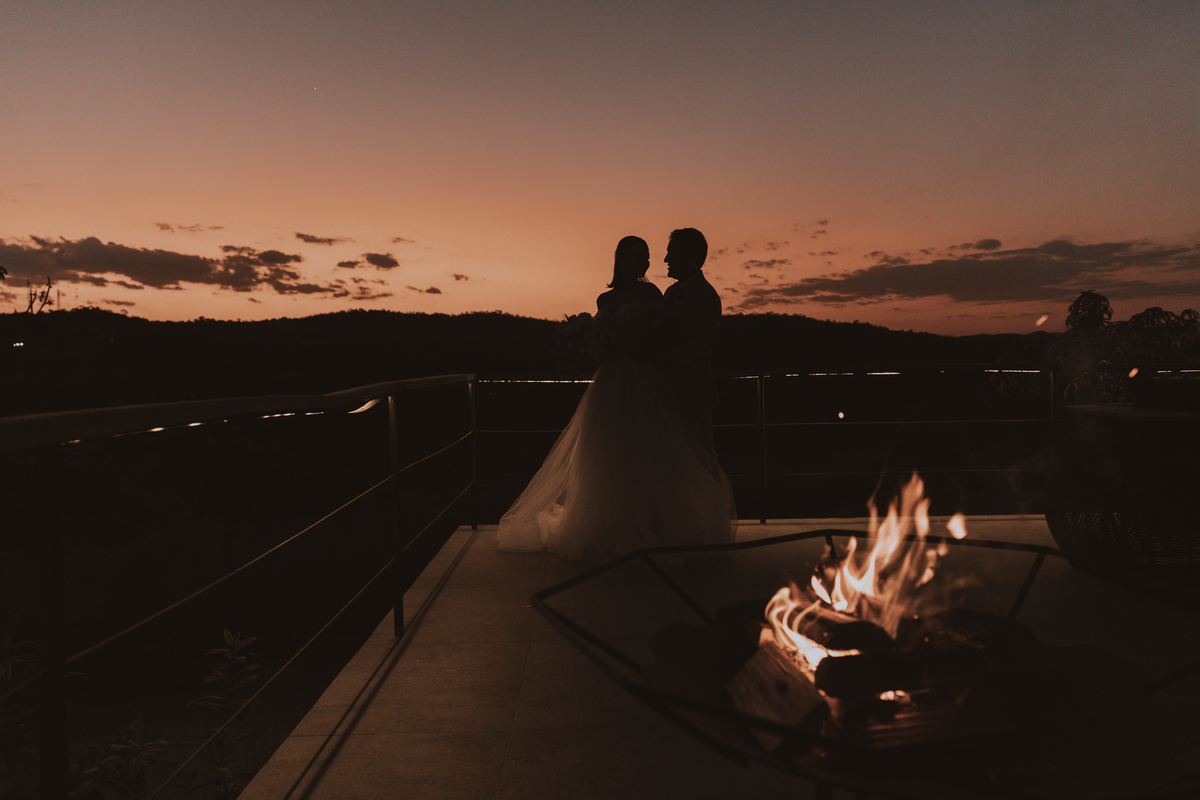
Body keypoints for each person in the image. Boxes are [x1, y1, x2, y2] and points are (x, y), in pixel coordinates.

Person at [496, 235, 736, 562]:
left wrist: (653, 353)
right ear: (620, 258)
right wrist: (587, 348)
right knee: (609, 451)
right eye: (640, 255)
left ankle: (682, 522)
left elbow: (680, 337)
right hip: (613, 383)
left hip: (648, 380)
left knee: (664, 453)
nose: (651, 261)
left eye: (651, 255)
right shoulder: (611, 298)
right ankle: (611, 523)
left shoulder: (658, 294)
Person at [662, 227, 722, 456]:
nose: (666, 259)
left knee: (701, 456)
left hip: (693, 393)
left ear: (687, 257)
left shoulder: (705, 295)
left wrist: (662, 360)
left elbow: (701, 346)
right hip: (667, 392)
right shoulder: (670, 293)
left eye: (671, 252)